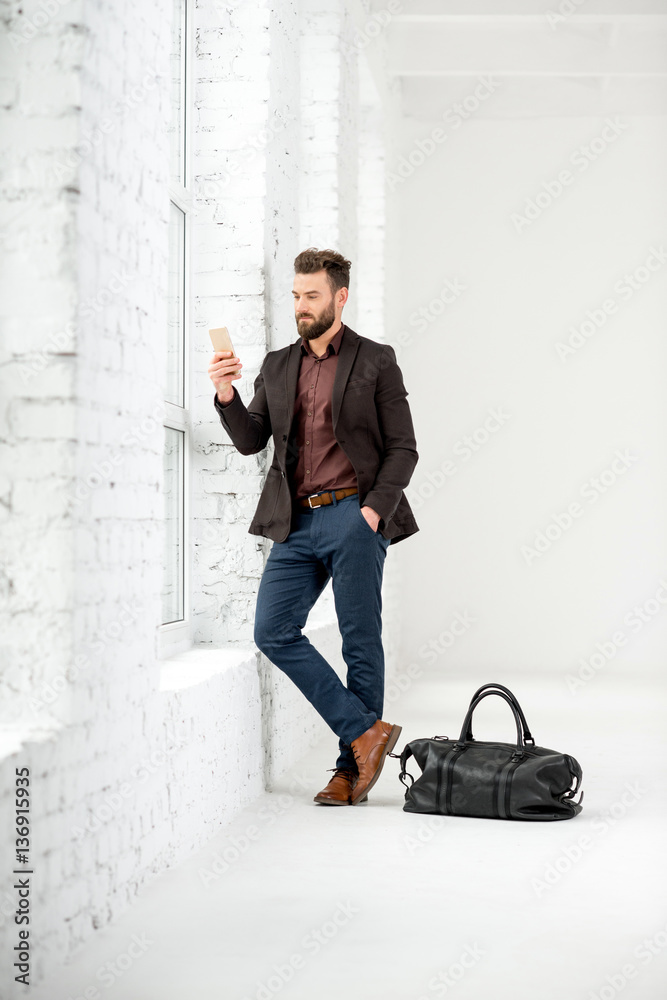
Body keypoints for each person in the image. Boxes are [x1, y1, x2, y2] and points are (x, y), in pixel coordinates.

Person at [208, 248, 419, 806]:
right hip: (295, 522)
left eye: (312, 296)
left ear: (340, 297)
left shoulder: (376, 360)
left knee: (359, 643)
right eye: (297, 296)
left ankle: (348, 773)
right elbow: (252, 438)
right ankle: (365, 732)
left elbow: (403, 448)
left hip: (354, 514)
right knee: (272, 630)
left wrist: (371, 513)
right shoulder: (278, 364)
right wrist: (226, 396)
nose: (301, 306)